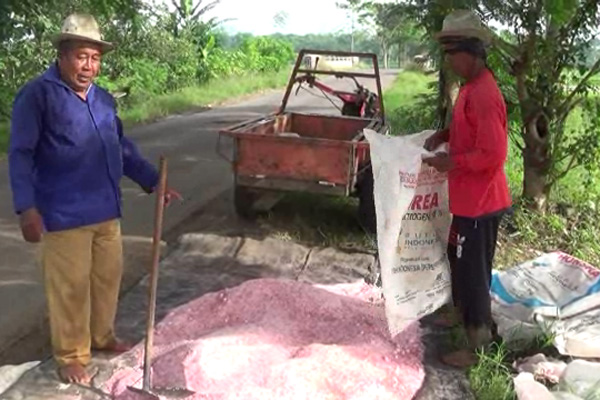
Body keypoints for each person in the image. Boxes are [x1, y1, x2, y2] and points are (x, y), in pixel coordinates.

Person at [8, 13, 181, 384]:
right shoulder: (38, 95)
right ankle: (71, 355)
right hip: (62, 213)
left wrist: (154, 181)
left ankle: (101, 338)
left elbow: (120, 147)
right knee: (70, 288)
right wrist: (26, 207)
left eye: (95, 58)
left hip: (105, 209)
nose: (89, 66)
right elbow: (20, 152)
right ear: (63, 55)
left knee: (106, 280)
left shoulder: (102, 100)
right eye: (81, 57)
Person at [422, 9, 512, 368]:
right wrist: (445, 135)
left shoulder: (484, 94)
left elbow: (493, 153)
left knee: (474, 273)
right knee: (460, 264)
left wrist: (452, 162)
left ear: (471, 51)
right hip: (467, 200)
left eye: (451, 54)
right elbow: (469, 134)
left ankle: (479, 348)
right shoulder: (470, 89)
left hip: (482, 203)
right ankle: (461, 315)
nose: (449, 62)